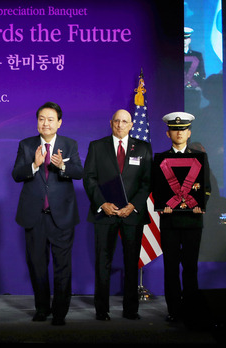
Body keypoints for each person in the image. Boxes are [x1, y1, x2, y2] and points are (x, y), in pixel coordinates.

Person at [12, 102, 83, 326]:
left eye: (50, 119)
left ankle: (60, 312)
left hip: (61, 216)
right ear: (37, 122)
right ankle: (42, 308)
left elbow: (79, 172)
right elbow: (16, 174)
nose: (46, 123)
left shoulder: (69, 145)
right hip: (35, 215)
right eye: (42, 119)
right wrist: (34, 164)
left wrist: (62, 166)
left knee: (63, 266)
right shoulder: (26, 145)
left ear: (59, 123)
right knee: (37, 265)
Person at [83, 109, 152, 321]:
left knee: (132, 262)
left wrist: (133, 205)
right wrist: (102, 203)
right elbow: (89, 178)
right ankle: (101, 310)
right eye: (117, 121)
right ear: (111, 123)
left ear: (131, 125)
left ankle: (131, 310)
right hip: (105, 213)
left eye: (125, 122)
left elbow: (147, 181)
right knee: (102, 262)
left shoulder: (143, 147)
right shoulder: (97, 146)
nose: (120, 125)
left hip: (132, 214)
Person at [157, 112, 211, 322]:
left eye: (183, 129)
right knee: (170, 268)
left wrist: (200, 205)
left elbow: (206, 188)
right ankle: (174, 310)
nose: (179, 133)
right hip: (170, 220)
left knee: (190, 266)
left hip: (193, 220)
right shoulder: (160, 159)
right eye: (175, 129)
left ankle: (190, 309)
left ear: (189, 132)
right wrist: (163, 206)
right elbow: (158, 188)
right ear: (168, 132)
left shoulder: (200, 158)